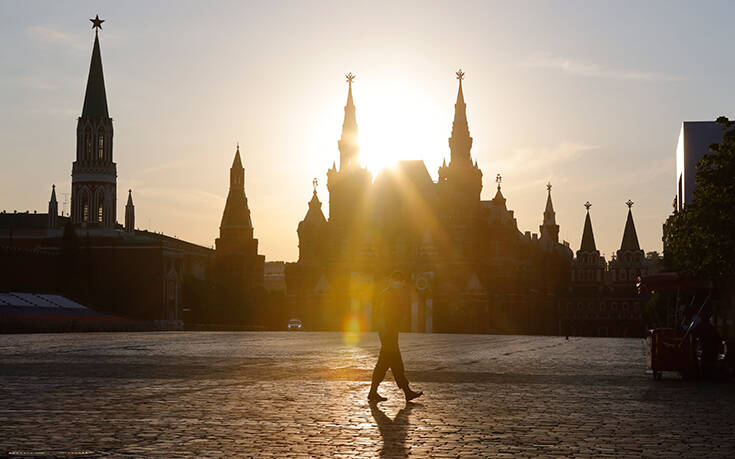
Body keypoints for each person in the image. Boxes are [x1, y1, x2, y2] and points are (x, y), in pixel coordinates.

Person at [368, 271, 423, 402]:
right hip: (388, 333)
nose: (401, 283)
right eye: (399, 280)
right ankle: (404, 392)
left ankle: (404, 392)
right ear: (392, 280)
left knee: (391, 363)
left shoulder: (391, 294)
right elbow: (383, 315)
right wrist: (388, 330)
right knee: (391, 363)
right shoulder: (387, 295)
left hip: (390, 332)